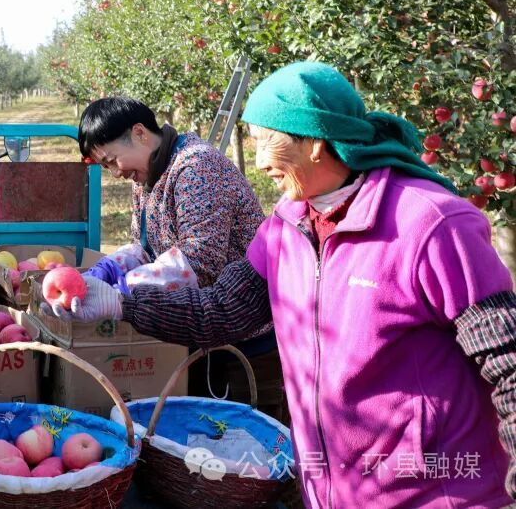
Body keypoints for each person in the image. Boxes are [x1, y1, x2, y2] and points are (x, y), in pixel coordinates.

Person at [61, 62, 516, 508]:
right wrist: (121, 303)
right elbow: (222, 312)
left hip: (432, 492)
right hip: (337, 490)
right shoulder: (287, 225)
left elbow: (507, 359)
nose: (258, 161)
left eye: (266, 142)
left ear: (315, 141)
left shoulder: (430, 224)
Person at [76, 97, 284, 420]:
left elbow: (199, 262)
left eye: (113, 160)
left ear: (140, 133)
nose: (116, 172)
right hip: (199, 333)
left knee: (240, 439)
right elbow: (144, 246)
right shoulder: (147, 176)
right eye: (106, 167)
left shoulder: (197, 167)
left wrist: (122, 290)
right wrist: (108, 268)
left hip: (244, 346)